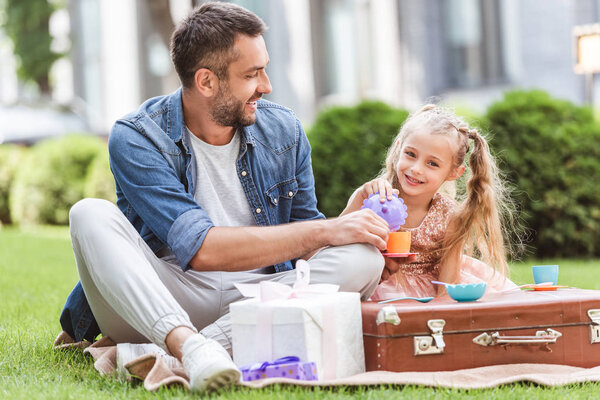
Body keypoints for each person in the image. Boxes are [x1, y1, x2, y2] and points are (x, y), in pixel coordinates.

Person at [59, 2, 387, 393]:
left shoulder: (285, 129)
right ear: (206, 81)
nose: (266, 85)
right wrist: (327, 231)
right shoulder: (138, 137)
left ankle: (189, 351)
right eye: (252, 74)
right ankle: (189, 345)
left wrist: (343, 226)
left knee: (364, 257)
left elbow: (306, 242)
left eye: (264, 68)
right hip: (162, 296)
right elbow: (202, 250)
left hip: (259, 299)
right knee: (88, 213)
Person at [341, 104, 518, 301]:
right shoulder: (372, 198)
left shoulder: (450, 215)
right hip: (376, 286)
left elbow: (446, 287)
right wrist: (360, 198)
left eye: (432, 163)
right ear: (399, 148)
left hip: (431, 295)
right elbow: (334, 244)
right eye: (410, 154)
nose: (416, 169)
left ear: (454, 173)